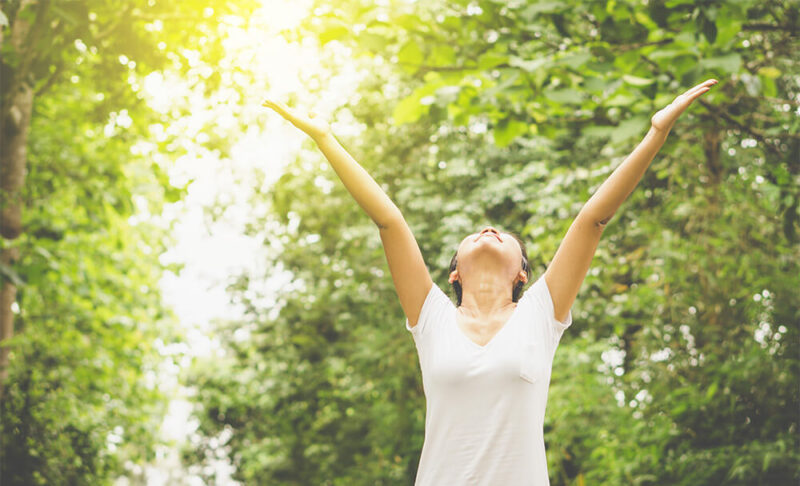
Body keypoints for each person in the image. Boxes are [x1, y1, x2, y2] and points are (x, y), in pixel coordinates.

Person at [263, 78, 718, 485]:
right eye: (475, 233)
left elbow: (593, 218)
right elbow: (388, 221)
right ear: (454, 273)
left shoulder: (542, 312)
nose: (488, 231)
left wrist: (656, 133)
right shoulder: (430, 317)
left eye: (504, 236)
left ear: (522, 271)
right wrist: (324, 138)